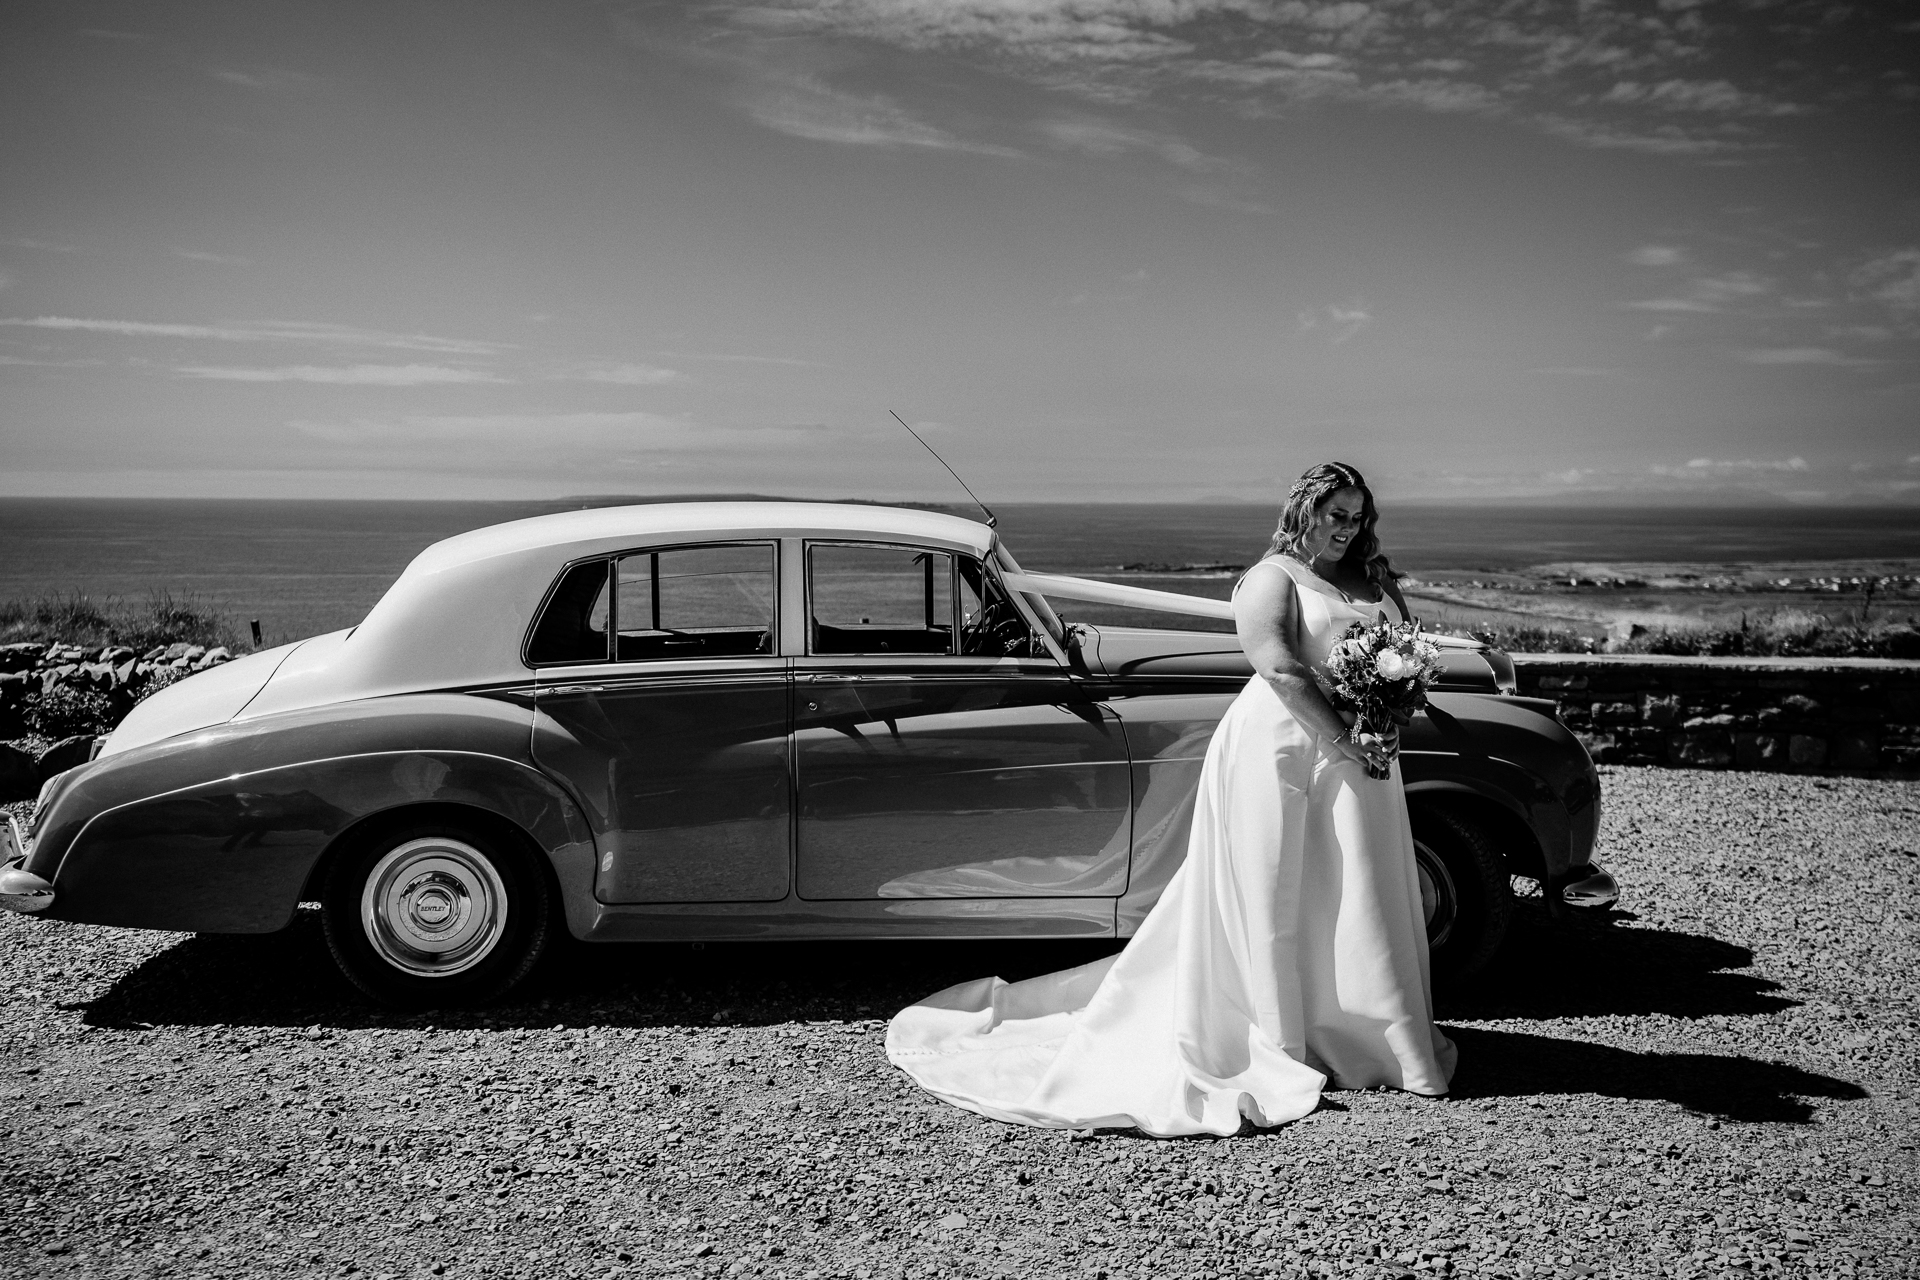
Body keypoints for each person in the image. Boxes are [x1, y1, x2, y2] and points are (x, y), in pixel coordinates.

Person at [885, 462, 1455, 1136]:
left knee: (1356, 888)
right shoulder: (1271, 579)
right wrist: (1345, 740)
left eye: (1359, 516)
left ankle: (1371, 1035)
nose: (1349, 527)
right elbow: (1277, 666)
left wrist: (1387, 719)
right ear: (1305, 510)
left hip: (1362, 752)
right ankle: (1279, 1036)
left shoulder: (1376, 577)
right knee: (1274, 889)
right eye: (1337, 513)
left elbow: (1406, 649)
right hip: (1284, 748)